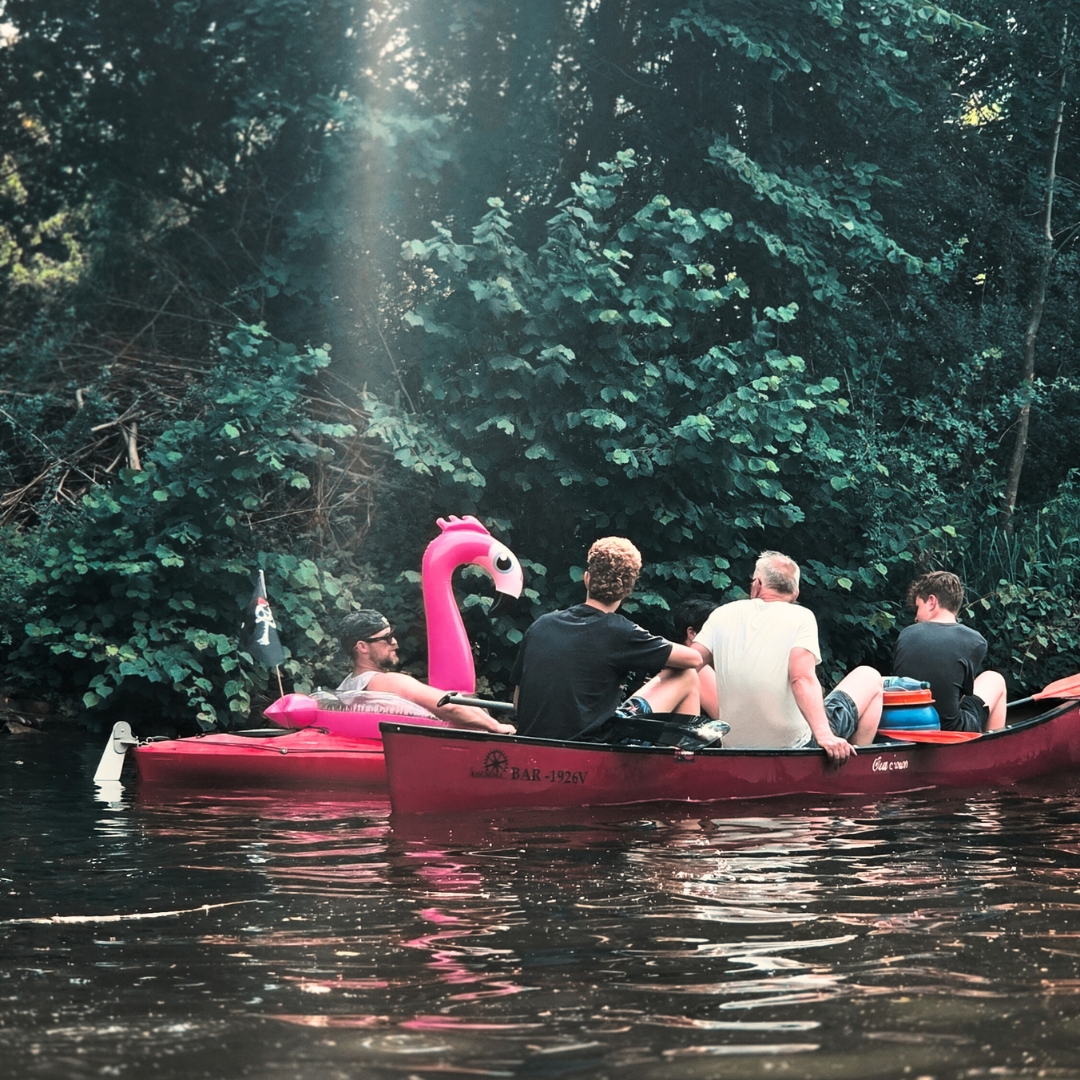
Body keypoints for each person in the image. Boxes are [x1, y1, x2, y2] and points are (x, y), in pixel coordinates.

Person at [691, 551, 882, 762]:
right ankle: (855, 765)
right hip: (796, 746)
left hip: (733, 745)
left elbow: (689, 664)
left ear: (757, 585)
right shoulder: (801, 617)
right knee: (870, 676)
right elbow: (801, 678)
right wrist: (825, 736)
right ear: (796, 592)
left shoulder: (721, 614)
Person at [509, 537, 703, 740]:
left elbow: (517, 702)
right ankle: (682, 761)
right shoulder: (621, 631)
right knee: (687, 675)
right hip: (591, 750)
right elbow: (694, 659)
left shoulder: (541, 624)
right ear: (628, 589)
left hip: (532, 742)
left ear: (586, 578)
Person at [337, 609, 516, 734]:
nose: (394, 642)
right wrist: (496, 726)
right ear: (362, 647)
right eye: (386, 638)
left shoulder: (346, 686)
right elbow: (448, 705)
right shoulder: (384, 681)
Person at [892, 571, 1006, 732]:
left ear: (931, 602)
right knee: (995, 679)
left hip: (903, 724)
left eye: (918, 607)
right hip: (950, 728)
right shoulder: (975, 641)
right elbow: (963, 694)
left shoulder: (906, 634)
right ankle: (994, 748)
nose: (916, 617)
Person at [637, 595, 720, 719]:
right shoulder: (697, 669)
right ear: (692, 633)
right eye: (714, 630)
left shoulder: (669, 662)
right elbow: (724, 717)